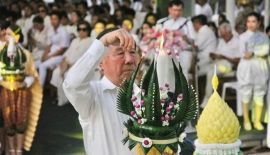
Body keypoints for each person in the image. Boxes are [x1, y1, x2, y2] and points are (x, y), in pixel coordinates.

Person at [63, 28, 137, 155]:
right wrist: (103, 41)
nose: (129, 60)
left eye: (133, 52)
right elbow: (72, 84)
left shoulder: (145, 95)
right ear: (100, 63)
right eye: (120, 53)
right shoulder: (92, 96)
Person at [0, 26, 42, 155]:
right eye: (6, 34)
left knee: (21, 122)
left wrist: (25, 82)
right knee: (8, 122)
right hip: (5, 91)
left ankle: (18, 150)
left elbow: (33, 75)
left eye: (9, 34)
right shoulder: (1, 53)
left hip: (22, 91)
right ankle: (11, 150)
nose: (6, 36)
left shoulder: (26, 54)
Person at [237, 12, 269, 131]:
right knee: (246, 92)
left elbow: (265, 50)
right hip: (246, 68)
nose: (250, 24)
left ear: (259, 23)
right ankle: (246, 120)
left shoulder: (263, 37)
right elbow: (243, 53)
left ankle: (257, 121)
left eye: (253, 21)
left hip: (260, 68)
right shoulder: (242, 37)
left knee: (259, 93)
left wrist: (254, 53)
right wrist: (254, 53)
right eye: (248, 21)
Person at [51, 21, 94, 106]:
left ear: (88, 31)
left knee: (67, 75)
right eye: (79, 29)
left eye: (84, 29)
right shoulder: (75, 40)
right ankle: (61, 98)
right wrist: (64, 63)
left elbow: (85, 58)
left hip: (79, 66)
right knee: (57, 72)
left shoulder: (90, 41)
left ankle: (68, 99)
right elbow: (67, 54)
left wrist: (69, 66)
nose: (81, 31)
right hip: (67, 63)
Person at [203, 22, 241, 106]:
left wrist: (224, 57)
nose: (223, 37)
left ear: (230, 32)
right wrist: (213, 55)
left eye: (224, 35)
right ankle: (209, 97)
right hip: (217, 62)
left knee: (211, 73)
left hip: (229, 66)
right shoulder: (221, 41)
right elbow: (217, 53)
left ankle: (208, 100)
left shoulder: (237, 42)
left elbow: (238, 60)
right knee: (203, 69)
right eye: (222, 35)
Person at [156, 0, 195, 79]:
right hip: (168, 52)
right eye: (174, 10)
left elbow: (192, 41)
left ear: (182, 10)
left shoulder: (187, 23)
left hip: (184, 52)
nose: (177, 13)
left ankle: (184, 91)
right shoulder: (164, 23)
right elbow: (159, 39)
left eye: (179, 10)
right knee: (167, 73)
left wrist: (183, 36)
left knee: (183, 73)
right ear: (169, 10)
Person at [38, 11, 70, 87]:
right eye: (51, 19)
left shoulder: (63, 31)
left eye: (55, 19)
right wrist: (44, 55)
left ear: (59, 20)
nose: (53, 21)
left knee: (42, 66)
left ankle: (39, 90)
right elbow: (50, 44)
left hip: (60, 56)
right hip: (51, 54)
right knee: (35, 63)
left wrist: (49, 57)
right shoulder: (51, 30)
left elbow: (63, 49)